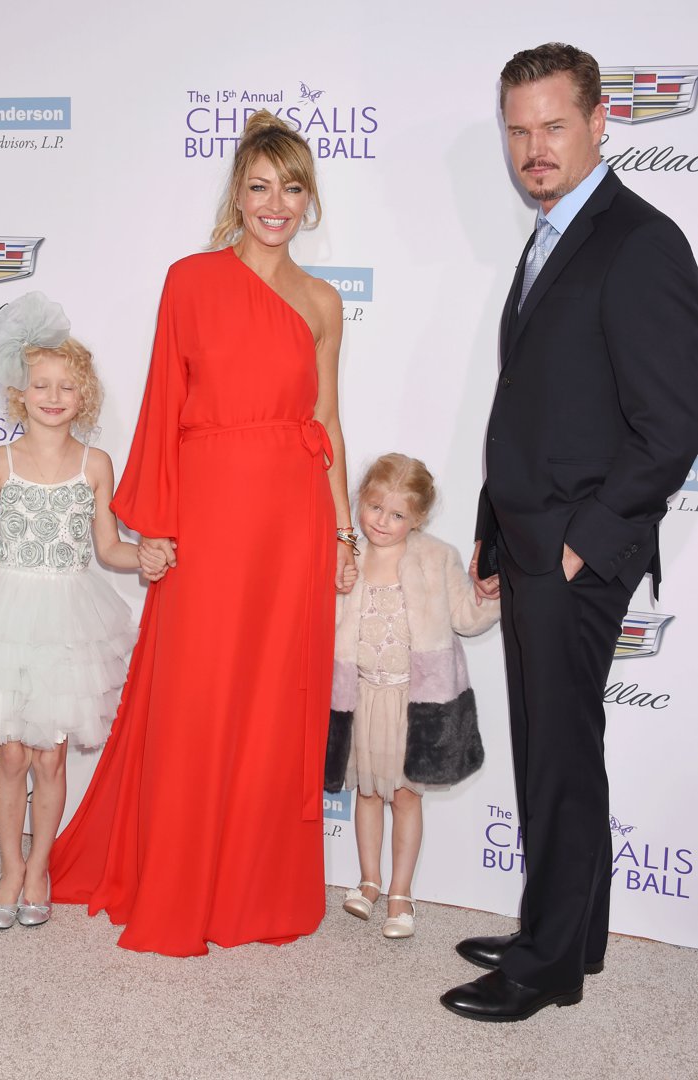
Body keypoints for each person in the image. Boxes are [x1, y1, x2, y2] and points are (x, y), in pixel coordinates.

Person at [50, 110, 355, 955]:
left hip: (292, 522)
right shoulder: (189, 279)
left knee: (271, 699)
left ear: (308, 199)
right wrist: (155, 525)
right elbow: (163, 405)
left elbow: (325, 419)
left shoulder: (324, 302)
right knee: (196, 689)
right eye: (259, 186)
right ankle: (179, 878)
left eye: (291, 187)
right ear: (236, 193)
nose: (275, 203)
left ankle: (251, 886)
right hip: (212, 517)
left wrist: (339, 533)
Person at [441, 43, 698, 1022]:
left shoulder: (639, 241)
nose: (533, 148)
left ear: (599, 123)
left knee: (554, 754)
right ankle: (568, 931)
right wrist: (491, 523)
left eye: (553, 126)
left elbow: (671, 423)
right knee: (557, 748)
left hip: (575, 551)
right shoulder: (552, 231)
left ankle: (544, 967)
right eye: (517, 130)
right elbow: (534, 401)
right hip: (529, 534)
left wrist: (583, 540)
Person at [0, 292, 140, 930]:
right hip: (6, 619)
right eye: (41, 385)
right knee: (10, 755)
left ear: (82, 395)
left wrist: (146, 556)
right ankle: (9, 868)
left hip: (68, 620)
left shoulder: (96, 465)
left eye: (66, 386)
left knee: (50, 757)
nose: (53, 396)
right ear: (20, 392)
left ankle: (40, 867)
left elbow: (108, 547)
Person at [324, 454, 498, 939]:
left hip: (414, 703)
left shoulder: (435, 556)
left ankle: (401, 893)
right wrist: (330, 584)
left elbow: (465, 615)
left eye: (397, 514)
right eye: (375, 507)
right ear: (361, 500)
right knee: (366, 792)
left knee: (403, 796)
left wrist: (490, 594)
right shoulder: (346, 553)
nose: (382, 521)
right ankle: (368, 881)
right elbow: (321, 619)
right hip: (360, 698)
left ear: (417, 518)